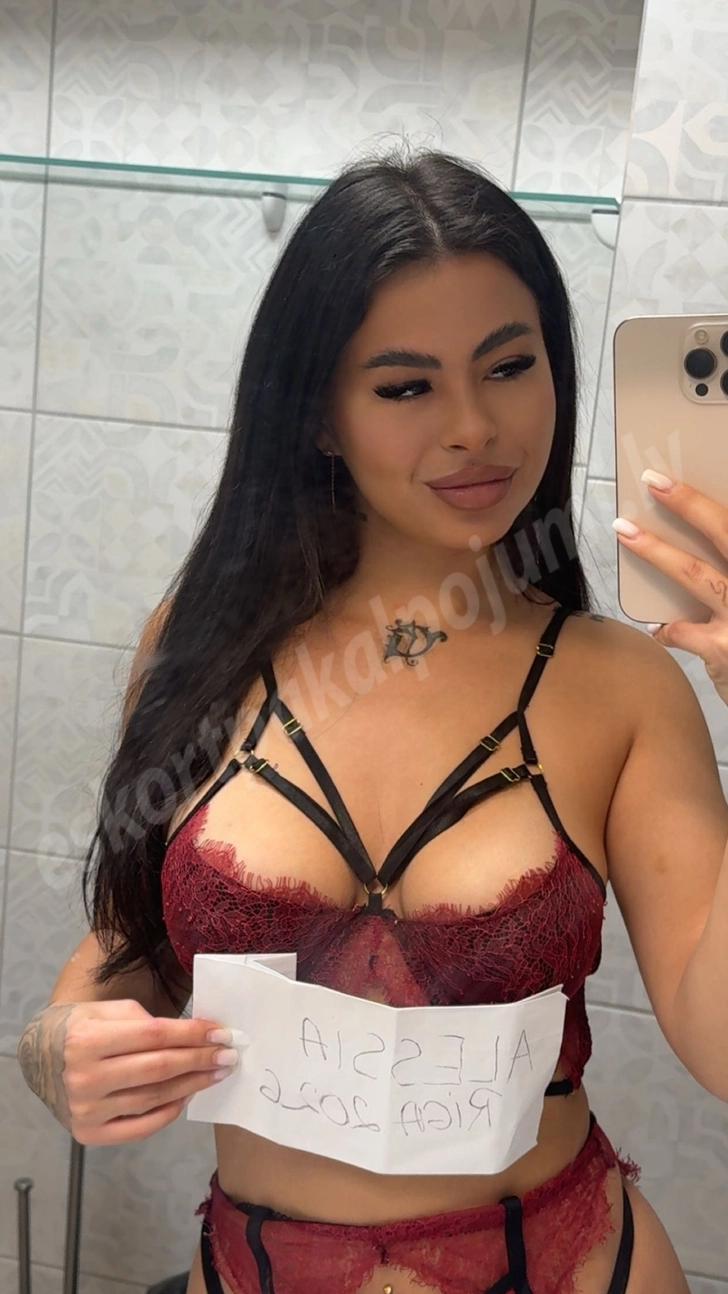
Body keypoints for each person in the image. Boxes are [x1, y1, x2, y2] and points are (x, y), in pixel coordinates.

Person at [17, 146, 728, 1294]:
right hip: (249, 1264)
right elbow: (132, 945)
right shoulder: (200, 647)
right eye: (405, 387)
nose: (473, 427)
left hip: (568, 1261)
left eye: (509, 367)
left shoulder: (619, 686)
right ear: (318, 416)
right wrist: (62, 1040)